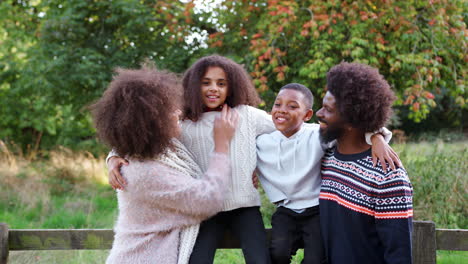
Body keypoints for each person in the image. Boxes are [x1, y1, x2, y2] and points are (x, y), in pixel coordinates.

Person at [108, 55, 274, 264]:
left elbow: (286, 132)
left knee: (260, 260)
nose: (214, 88)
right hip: (204, 211)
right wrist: (113, 156)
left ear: (233, 87)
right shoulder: (182, 123)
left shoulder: (248, 115)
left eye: (221, 83)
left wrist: (261, 167)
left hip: (245, 207)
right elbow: (140, 135)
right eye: (206, 83)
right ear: (193, 86)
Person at [90, 66, 239, 264]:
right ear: (153, 122)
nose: (178, 111)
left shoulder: (151, 151)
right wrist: (222, 146)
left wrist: (113, 156)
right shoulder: (147, 172)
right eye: (169, 110)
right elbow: (208, 200)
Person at [256, 83, 400, 264]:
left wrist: (377, 137)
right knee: (278, 253)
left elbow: (350, 128)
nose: (282, 110)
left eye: (292, 106)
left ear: (307, 115)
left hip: (317, 211)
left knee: (315, 260)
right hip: (285, 210)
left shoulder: (317, 135)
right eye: (278, 104)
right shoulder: (262, 141)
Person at [317, 62, 413, 264]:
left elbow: (399, 254)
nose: (319, 113)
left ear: (351, 122)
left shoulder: (388, 175)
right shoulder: (327, 159)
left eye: (327, 109)